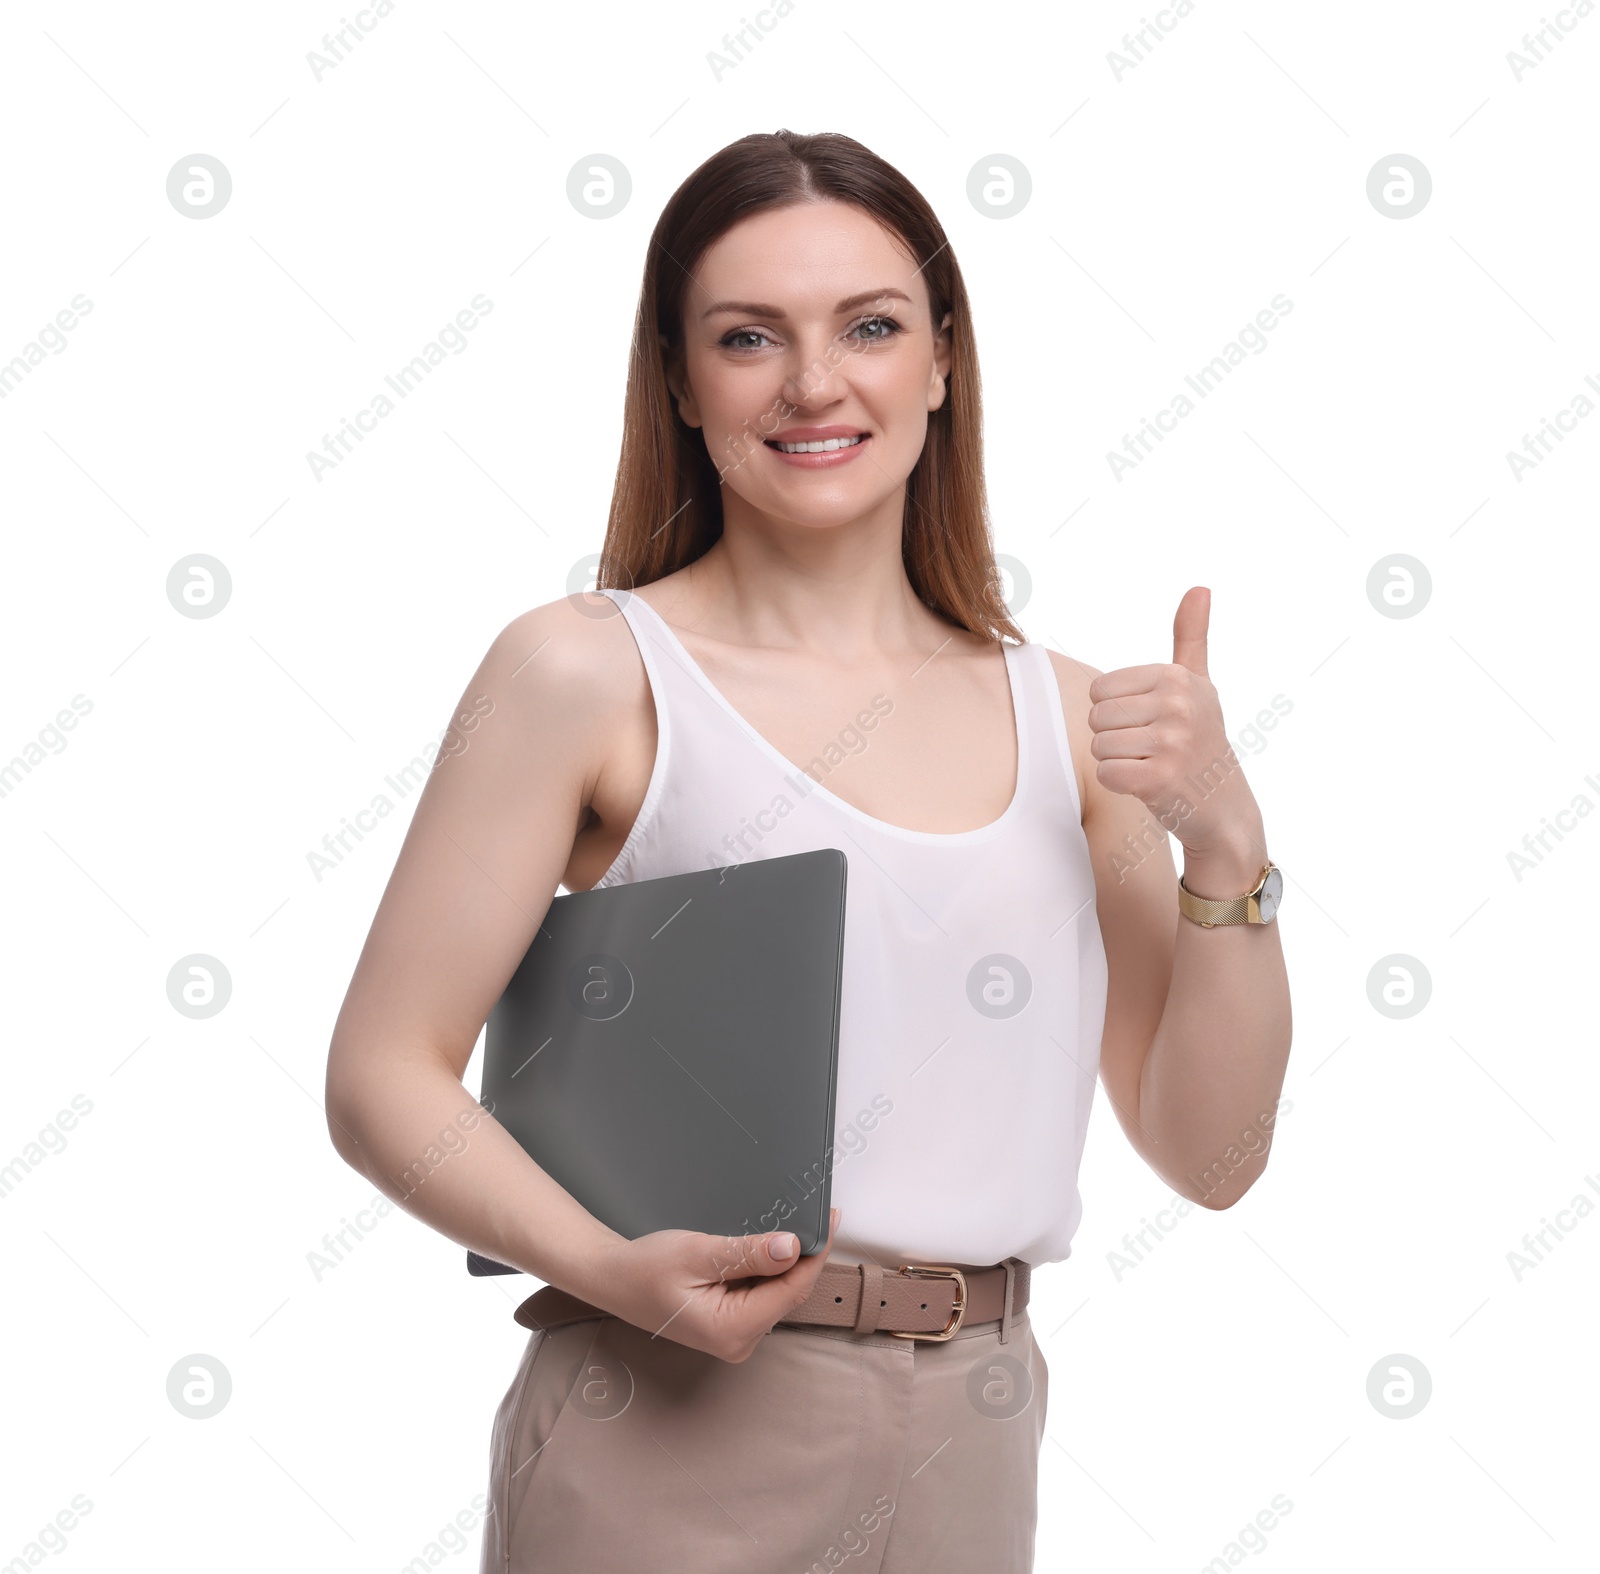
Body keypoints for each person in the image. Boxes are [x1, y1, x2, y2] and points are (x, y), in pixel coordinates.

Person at [324, 128, 1291, 1573]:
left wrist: (1228, 849)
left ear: (943, 362)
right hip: (670, 1415)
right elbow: (381, 1072)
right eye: (748, 337)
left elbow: (1211, 1154)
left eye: (872, 326)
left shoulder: (1077, 718)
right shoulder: (586, 673)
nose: (816, 382)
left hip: (979, 1419)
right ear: (679, 377)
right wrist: (605, 1269)